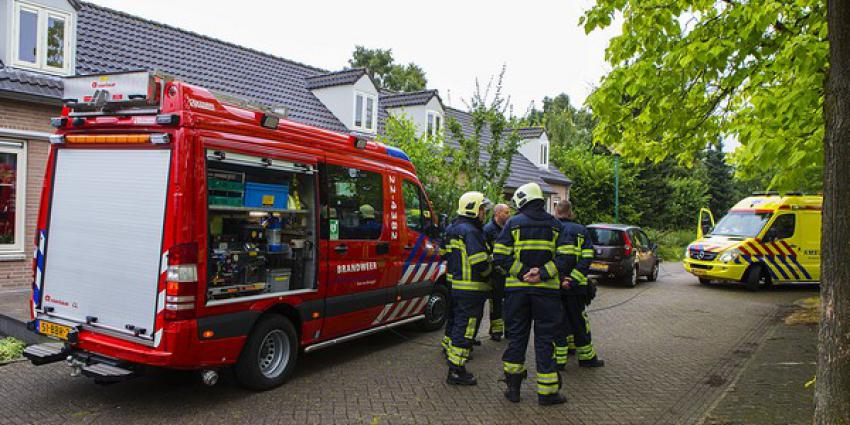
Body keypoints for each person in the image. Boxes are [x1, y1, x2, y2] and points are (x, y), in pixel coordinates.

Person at [493, 182, 570, 406]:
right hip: (546, 294)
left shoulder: (513, 224)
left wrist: (523, 273)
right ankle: (547, 393)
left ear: (522, 199)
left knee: (516, 337)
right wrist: (542, 273)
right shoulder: (556, 225)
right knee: (546, 340)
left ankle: (513, 389)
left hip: (517, 292)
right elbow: (566, 256)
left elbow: (499, 255)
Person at [440, 191, 492, 385]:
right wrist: (490, 272)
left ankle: (454, 362)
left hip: (457, 285)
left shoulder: (452, 229)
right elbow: (479, 262)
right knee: (466, 329)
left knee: (457, 325)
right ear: (472, 209)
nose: (483, 213)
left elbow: (443, 253)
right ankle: (456, 370)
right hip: (472, 288)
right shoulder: (472, 232)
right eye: (481, 209)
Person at [554, 199, 605, 369]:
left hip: (556, 286)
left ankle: (559, 361)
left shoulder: (551, 230)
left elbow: (548, 257)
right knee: (579, 322)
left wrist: (561, 279)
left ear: (556, 212)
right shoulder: (581, 231)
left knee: (558, 322)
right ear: (570, 213)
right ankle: (586, 358)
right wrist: (573, 279)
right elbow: (587, 257)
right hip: (576, 288)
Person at [482, 203, 511, 341]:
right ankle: (496, 331)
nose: (508, 215)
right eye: (506, 212)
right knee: (496, 303)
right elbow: (484, 252)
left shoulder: (508, 228)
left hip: (508, 272)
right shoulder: (488, 230)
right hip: (494, 274)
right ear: (497, 213)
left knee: (510, 303)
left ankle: (509, 330)